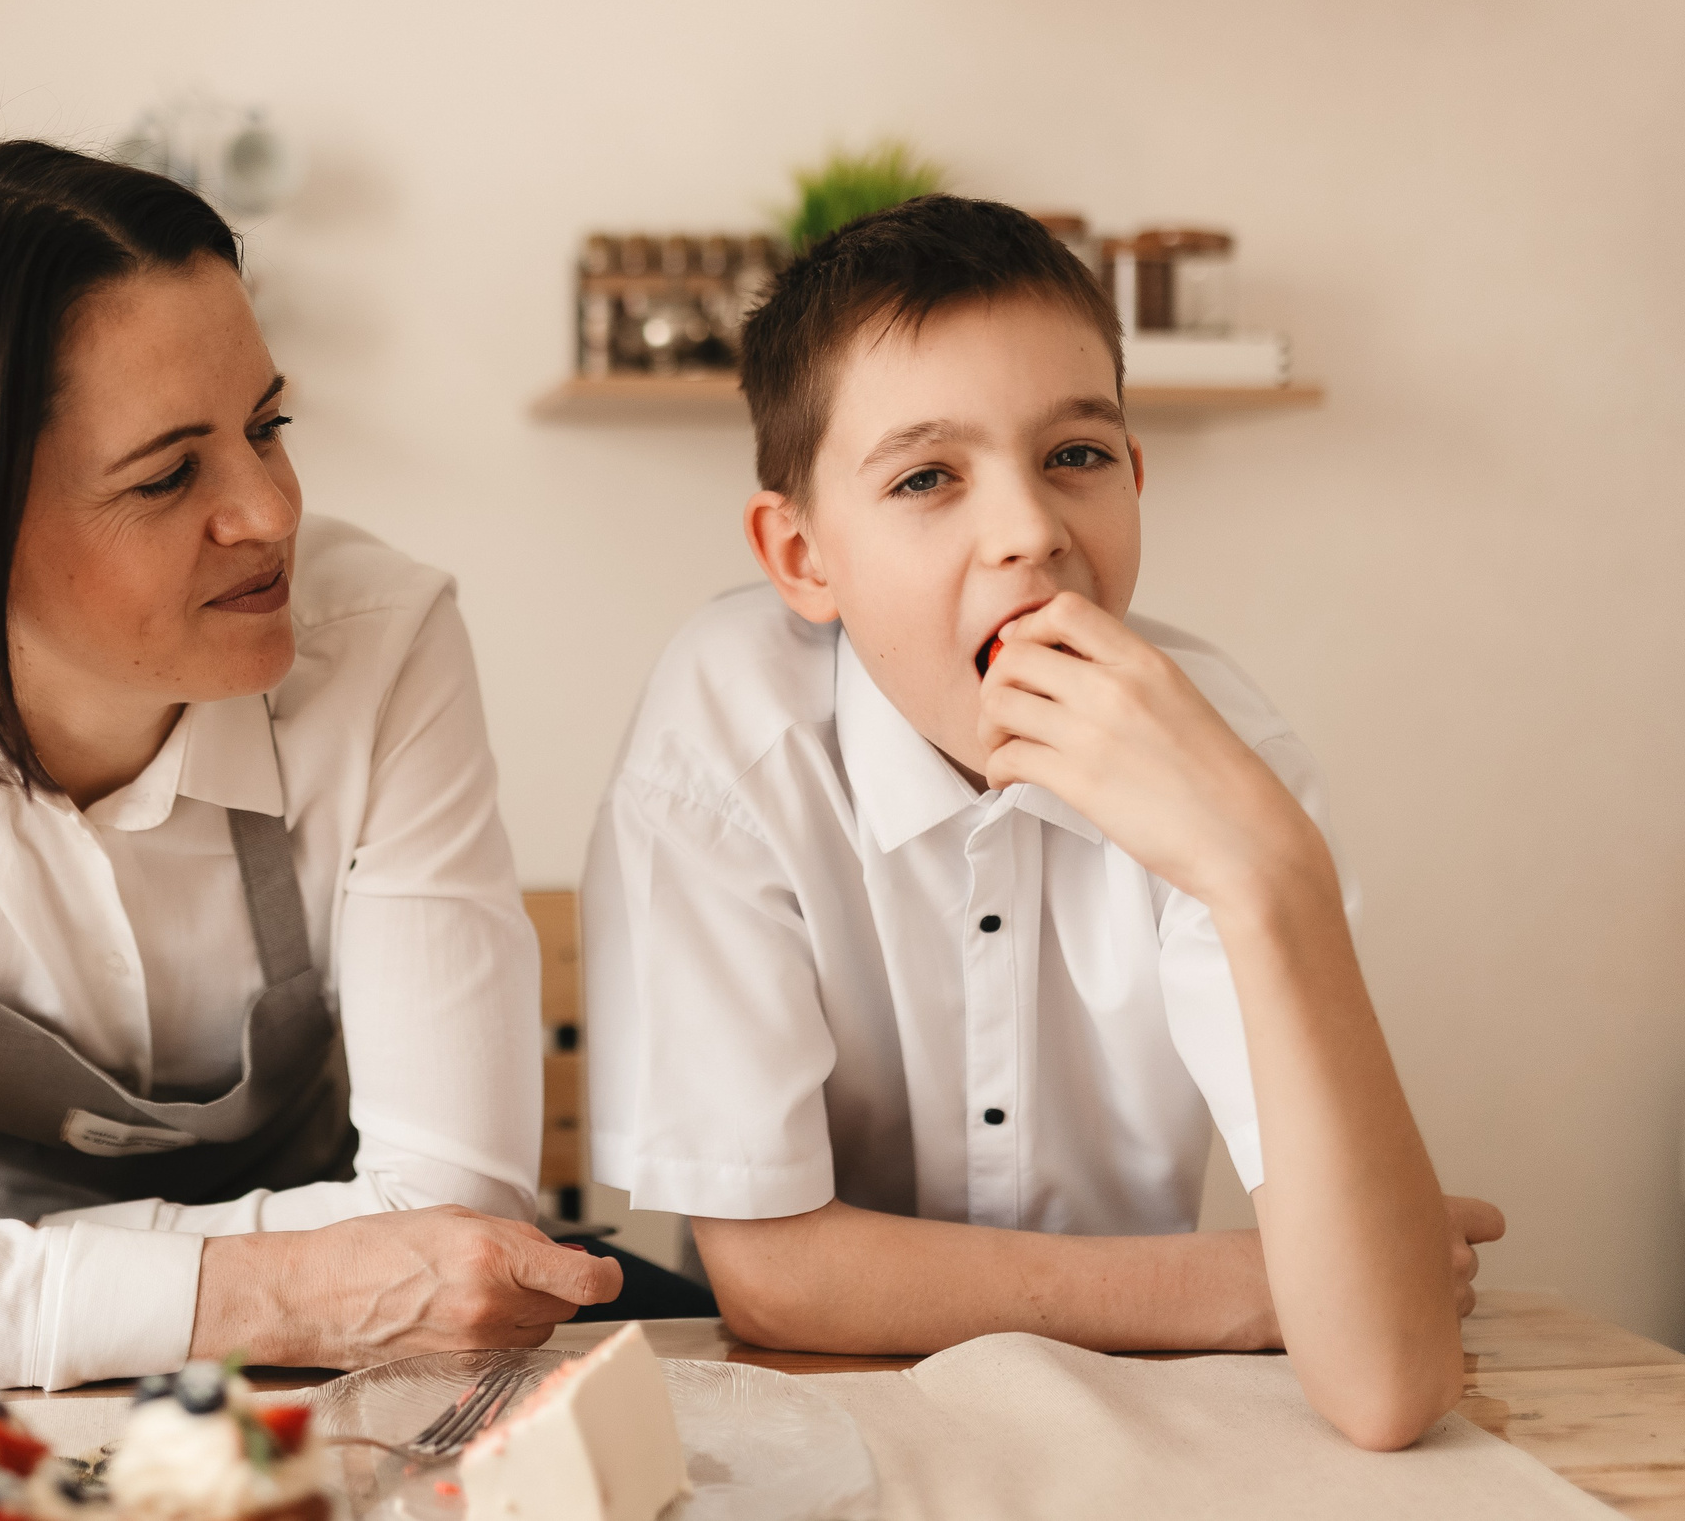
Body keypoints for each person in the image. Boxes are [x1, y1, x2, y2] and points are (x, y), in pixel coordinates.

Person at [0, 142, 619, 1393]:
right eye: (168, 475)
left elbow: (450, 1215)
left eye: (267, 426)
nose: (271, 512)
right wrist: (294, 1284)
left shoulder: (382, 646)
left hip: (308, 1381)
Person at [581, 196, 1505, 1450]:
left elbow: (1389, 1379)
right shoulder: (724, 741)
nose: (1029, 534)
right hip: (815, 1423)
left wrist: (1265, 870)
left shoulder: (1230, 763)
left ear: (1133, 476)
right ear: (801, 558)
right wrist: (1239, 1284)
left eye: (1073, 455)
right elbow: (776, 1278)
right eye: (925, 477)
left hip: (1138, 1425)